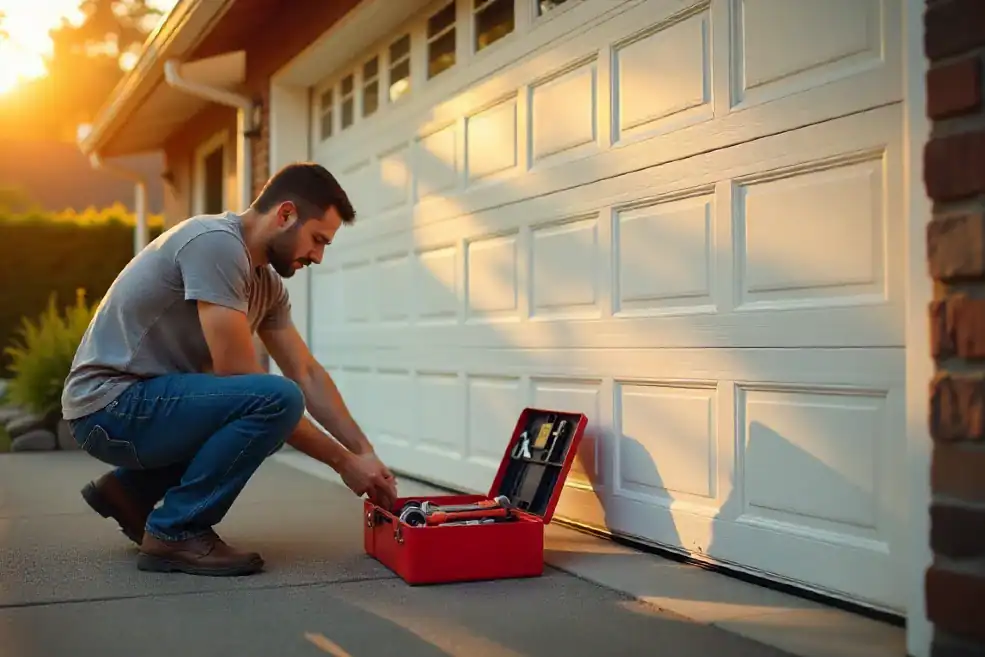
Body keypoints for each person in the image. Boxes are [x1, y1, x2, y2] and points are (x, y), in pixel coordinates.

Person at [61, 162, 398, 577]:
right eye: (317, 239)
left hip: (143, 407)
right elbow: (241, 378)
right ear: (285, 214)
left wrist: (365, 454)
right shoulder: (216, 244)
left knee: (272, 411)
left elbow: (306, 371)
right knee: (274, 402)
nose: (318, 256)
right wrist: (342, 461)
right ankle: (177, 530)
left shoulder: (267, 285)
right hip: (109, 406)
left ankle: (128, 493)